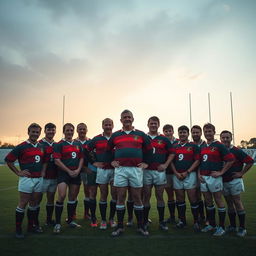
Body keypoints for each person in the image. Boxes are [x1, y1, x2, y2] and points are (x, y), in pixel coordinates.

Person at [107, 110, 153, 236]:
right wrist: (112, 161)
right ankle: (120, 227)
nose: (127, 119)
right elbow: (107, 150)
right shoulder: (115, 135)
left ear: (133, 119)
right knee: (120, 197)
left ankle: (140, 226)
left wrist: (146, 163)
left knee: (137, 197)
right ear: (121, 120)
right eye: (124, 117)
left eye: (129, 117)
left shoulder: (141, 134)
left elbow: (150, 150)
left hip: (136, 169)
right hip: (121, 169)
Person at [5, 123, 45, 238]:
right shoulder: (21, 146)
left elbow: (44, 161)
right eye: (33, 132)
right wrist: (18, 172)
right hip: (27, 179)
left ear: (39, 133)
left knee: (34, 203)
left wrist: (43, 171)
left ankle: (30, 226)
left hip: (39, 179)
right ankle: (18, 229)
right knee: (23, 203)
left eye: (37, 132)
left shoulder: (41, 146)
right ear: (28, 132)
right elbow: (9, 160)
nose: (35, 134)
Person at [199, 123, 235, 236]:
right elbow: (200, 161)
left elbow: (230, 160)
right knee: (208, 202)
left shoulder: (219, 145)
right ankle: (212, 224)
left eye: (210, 131)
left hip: (214, 178)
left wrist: (221, 172)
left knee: (219, 201)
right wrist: (199, 174)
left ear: (214, 132)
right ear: (203, 133)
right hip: (203, 178)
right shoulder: (203, 146)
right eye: (206, 131)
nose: (208, 133)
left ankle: (221, 227)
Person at [143, 117, 174, 231]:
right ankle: (145, 221)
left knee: (160, 196)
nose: (153, 125)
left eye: (155, 124)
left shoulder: (164, 139)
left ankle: (161, 222)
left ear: (158, 125)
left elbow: (172, 154)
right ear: (148, 124)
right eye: (151, 123)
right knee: (146, 196)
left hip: (159, 172)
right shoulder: (144, 138)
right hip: (146, 172)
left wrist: (165, 165)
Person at [220, 130, 254, 237]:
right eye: (223, 138)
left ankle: (242, 228)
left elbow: (250, 161)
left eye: (227, 137)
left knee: (237, 202)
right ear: (220, 139)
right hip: (223, 181)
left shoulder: (236, 150)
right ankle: (233, 226)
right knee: (229, 204)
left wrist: (241, 172)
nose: (225, 139)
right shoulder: (220, 151)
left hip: (234, 181)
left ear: (231, 138)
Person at [52, 123, 84, 233]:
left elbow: (81, 158)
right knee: (61, 195)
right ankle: (57, 223)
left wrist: (78, 170)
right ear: (63, 131)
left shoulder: (78, 144)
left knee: (72, 197)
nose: (69, 132)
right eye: (67, 130)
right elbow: (57, 161)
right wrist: (68, 171)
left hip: (75, 173)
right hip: (63, 174)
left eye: (71, 130)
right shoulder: (58, 144)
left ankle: (70, 221)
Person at [87, 118, 117, 230]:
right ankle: (103, 220)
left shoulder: (117, 136)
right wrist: (94, 162)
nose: (108, 126)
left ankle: (111, 219)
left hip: (115, 170)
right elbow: (86, 150)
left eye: (110, 124)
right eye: (106, 124)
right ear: (102, 126)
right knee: (103, 195)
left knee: (115, 195)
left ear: (113, 125)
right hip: (103, 170)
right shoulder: (97, 138)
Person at [171, 125, 200, 230]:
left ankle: (196, 221)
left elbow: (197, 160)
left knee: (193, 198)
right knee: (180, 199)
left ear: (188, 134)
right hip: (177, 176)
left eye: (184, 132)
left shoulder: (193, 146)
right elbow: (171, 161)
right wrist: (176, 173)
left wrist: (187, 172)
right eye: (181, 132)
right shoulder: (174, 146)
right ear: (178, 134)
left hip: (190, 175)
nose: (182, 134)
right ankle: (182, 221)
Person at [39, 123, 58, 226]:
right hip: (42, 177)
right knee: (37, 199)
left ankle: (49, 220)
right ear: (45, 131)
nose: (51, 132)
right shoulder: (39, 143)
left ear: (55, 131)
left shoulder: (57, 144)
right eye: (49, 130)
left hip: (54, 176)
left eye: (53, 130)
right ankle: (34, 222)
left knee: (51, 199)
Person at [162, 124, 178, 224]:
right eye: (166, 131)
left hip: (178, 172)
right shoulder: (162, 141)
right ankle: (172, 217)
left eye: (169, 131)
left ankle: (182, 217)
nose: (168, 133)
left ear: (173, 131)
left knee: (180, 195)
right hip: (167, 172)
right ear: (163, 132)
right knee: (170, 195)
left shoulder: (178, 142)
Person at [74, 123, 91, 220]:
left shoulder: (90, 141)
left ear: (87, 130)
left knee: (87, 191)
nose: (82, 131)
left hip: (86, 170)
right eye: (80, 129)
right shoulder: (73, 142)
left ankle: (86, 213)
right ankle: (73, 213)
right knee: (74, 192)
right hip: (76, 170)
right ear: (77, 130)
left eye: (84, 129)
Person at [191, 125, 206, 223]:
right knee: (196, 196)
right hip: (193, 174)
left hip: (204, 174)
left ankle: (208, 219)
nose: (195, 134)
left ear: (201, 133)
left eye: (197, 132)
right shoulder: (190, 145)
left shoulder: (206, 144)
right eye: (193, 132)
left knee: (207, 196)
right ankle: (201, 216)